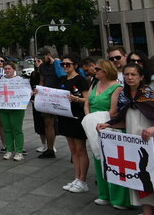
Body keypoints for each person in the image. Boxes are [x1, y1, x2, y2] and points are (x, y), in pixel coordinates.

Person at [98, 63, 154, 215]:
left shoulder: (149, 94)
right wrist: (106, 125)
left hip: (153, 144)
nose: (130, 77)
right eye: (126, 74)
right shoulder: (124, 96)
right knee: (140, 180)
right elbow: (123, 119)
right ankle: (146, 212)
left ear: (141, 77)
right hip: (134, 146)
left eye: (133, 74)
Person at [84, 59, 130, 209]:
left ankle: (119, 199)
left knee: (115, 162)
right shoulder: (95, 84)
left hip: (110, 126)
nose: (94, 71)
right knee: (99, 160)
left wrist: (102, 121)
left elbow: (114, 110)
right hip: (93, 125)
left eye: (97, 69)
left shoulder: (117, 87)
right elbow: (87, 103)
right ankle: (104, 194)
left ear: (105, 71)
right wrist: (89, 118)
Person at [56, 54, 89, 193]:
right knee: (73, 150)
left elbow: (87, 99)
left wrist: (76, 99)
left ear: (75, 65)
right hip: (66, 116)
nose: (65, 66)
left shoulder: (81, 80)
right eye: (63, 64)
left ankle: (83, 179)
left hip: (78, 116)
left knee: (80, 149)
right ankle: (76, 177)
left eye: (68, 64)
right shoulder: (62, 79)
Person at [0, 61, 26, 162]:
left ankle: (19, 152)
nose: (7, 70)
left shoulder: (20, 80)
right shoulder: (0, 80)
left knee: (17, 130)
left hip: (16, 109)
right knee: (7, 129)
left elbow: (25, 91)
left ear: (14, 69)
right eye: (5, 69)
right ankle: (9, 150)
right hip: (4, 108)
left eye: (9, 68)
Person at [37, 47, 60, 158]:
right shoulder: (42, 67)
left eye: (43, 56)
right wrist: (39, 89)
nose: (42, 59)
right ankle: (50, 148)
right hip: (47, 96)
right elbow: (42, 80)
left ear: (48, 55)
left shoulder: (57, 64)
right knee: (48, 123)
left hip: (58, 96)